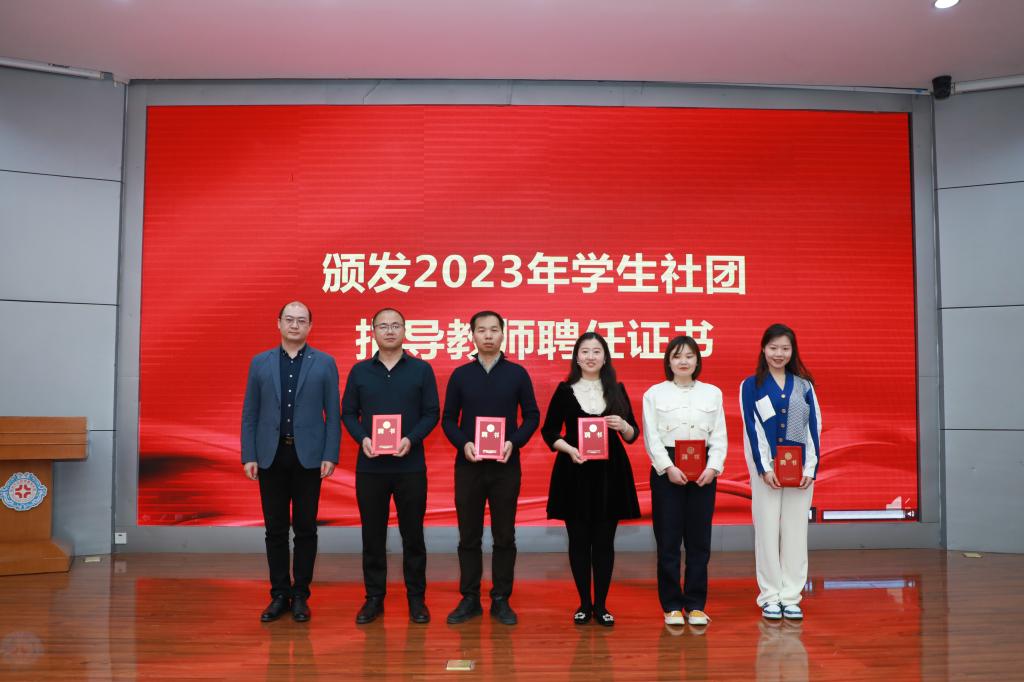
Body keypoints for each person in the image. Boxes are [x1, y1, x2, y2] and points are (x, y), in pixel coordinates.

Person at [241, 301, 340, 623]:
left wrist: (330, 454)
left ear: (310, 326)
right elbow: (250, 413)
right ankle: (279, 594)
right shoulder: (260, 362)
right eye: (289, 320)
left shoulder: (324, 363)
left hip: (308, 456)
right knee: (275, 529)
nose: (294, 325)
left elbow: (333, 414)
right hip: (271, 455)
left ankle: (300, 595)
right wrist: (249, 454)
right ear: (279, 323)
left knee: (306, 529)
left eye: (301, 321)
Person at [342, 308, 440, 625]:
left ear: (404, 331)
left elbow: (431, 413)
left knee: (413, 535)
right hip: (370, 468)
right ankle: (374, 599)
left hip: (410, 466)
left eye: (395, 325)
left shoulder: (421, 369)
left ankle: (417, 599)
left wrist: (411, 438)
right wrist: (362, 438)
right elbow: (348, 413)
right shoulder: (360, 371)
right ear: (372, 331)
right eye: (383, 326)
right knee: (372, 536)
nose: (389, 331)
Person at [442, 310, 540, 626]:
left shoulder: (517, 374)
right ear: (472, 335)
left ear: (502, 334)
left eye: (494, 330)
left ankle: (501, 598)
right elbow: (448, 420)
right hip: (468, 465)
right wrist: (463, 444)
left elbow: (532, 416)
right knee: (468, 535)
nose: (487, 335)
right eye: (481, 330)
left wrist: (514, 442)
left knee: (504, 535)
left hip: (505, 466)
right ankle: (469, 598)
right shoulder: (461, 375)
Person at [541, 332, 640, 627]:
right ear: (576, 357)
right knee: (579, 541)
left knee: (605, 542)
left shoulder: (616, 390)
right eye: (585, 351)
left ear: (605, 357)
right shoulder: (564, 390)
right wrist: (569, 449)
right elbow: (549, 431)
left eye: (596, 351)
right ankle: (584, 603)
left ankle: (601, 605)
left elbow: (633, 434)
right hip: (575, 472)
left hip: (610, 475)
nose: (590, 357)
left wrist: (623, 425)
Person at [642, 335, 726, 627]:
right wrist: (667, 467)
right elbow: (651, 437)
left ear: (697, 360)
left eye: (689, 356)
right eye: (677, 356)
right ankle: (671, 606)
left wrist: (713, 467)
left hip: (703, 470)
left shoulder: (712, 393)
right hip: (668, 469)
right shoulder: (654, 394)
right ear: (668, 361)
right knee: (668, 541)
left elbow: (719, 435)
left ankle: (696, 604)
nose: (683, 361)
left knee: (699, 541)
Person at [740, 323, 821, 621]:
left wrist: (810, 467)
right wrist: (763, 468)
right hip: (768, 471)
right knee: (766, 531)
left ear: (792, 351)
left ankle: (791, 596)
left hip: (800, 471)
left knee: (796, 532)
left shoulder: (804, 386)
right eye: (773, 347)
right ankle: (770, 596)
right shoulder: (751, 385)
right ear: (763, 349)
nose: (779, 353)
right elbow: (752, 428)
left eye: (785, 348)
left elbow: (814, 427)